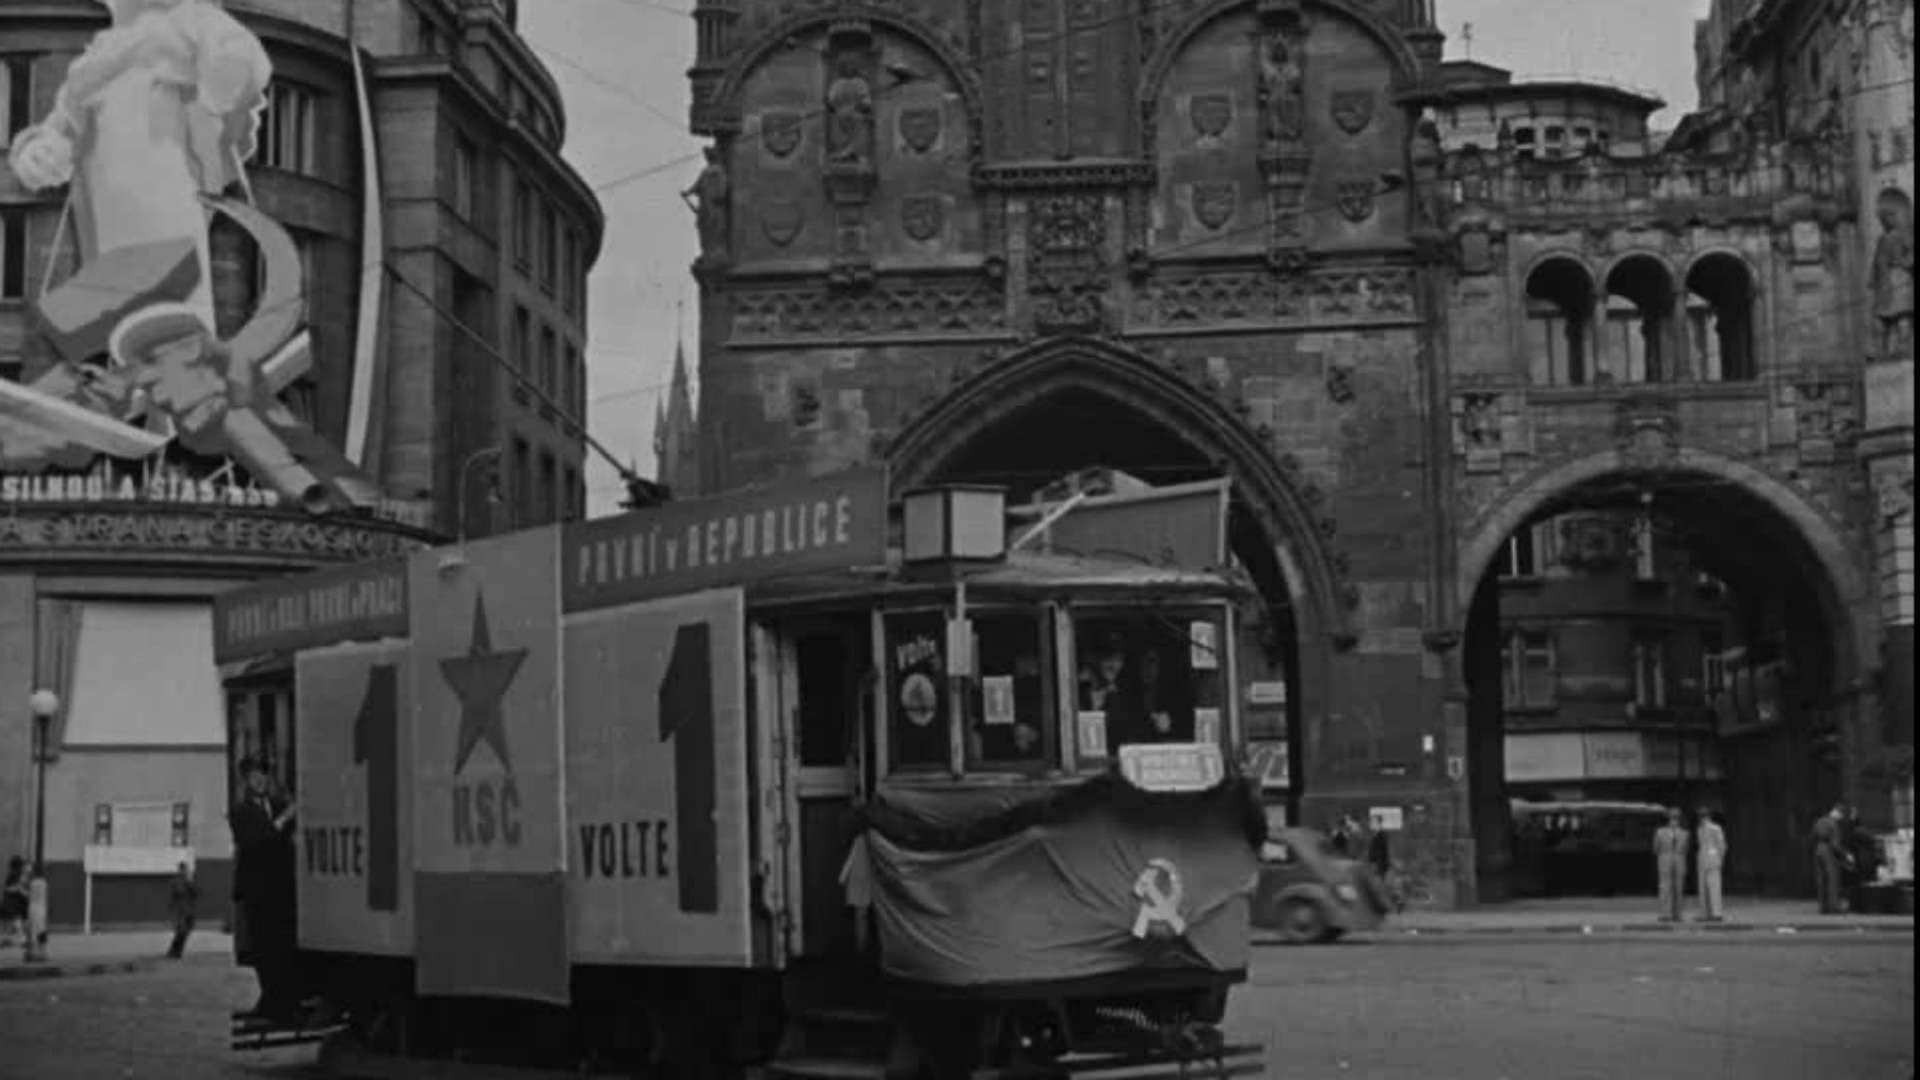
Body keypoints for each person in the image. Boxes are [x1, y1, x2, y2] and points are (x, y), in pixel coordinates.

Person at [229, 756, 299, 1019]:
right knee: (262, 947)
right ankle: (270, 997)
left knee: (283, 946)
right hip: (257, 891)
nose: (260, 781)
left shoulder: (278, 804)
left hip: (281, 888)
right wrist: (284, 820)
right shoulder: (240, 811)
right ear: (246, 781)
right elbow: (256, 840)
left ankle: (282, 999)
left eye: (263, 776)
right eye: (255, 777)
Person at [1811, 803, 1848, 914]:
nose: (1841, 818)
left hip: (1818, 849)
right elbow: (1835, 844)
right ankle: (1835, 907)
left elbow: (1812, 837)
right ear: (1838, 813)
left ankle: (1823, 907)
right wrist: (1845, 854)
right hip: (1829, 851)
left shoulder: (1819, 821)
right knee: (1833, 879)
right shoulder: (1834, 824)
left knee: (1821, 880)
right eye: (1841, 815)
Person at [1653, 807, 1688, 922]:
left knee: (1679, 888)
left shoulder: (1685, 833)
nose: (1674, 821)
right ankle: (1665, 914)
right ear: (1668, 819)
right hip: (1664, 861)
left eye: (1676, 818)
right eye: (1672, 818)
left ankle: (1678, 914)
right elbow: (1655, 848)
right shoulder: (1660, 832)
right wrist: (1664, 856)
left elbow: (1685, 850)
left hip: (1679, 862)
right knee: (1665, 888)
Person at [1694, 808, 1727, 922]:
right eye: (1701, 817)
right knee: (1702, 889)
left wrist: (1720, 859)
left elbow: (1722, 845)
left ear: (1708, 817)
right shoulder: (1699, 829)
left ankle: (1717, 913)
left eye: (1704, 817)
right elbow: (1701, 844)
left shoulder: (1716, 828)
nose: (1702, 819)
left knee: (1714, 888)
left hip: (1713, 860)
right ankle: (1704, 913)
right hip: (1702, 859)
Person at [165, 860, 198, 959]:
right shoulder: (176, 881)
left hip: (189, 910)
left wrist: (190, 883)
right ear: (180, 870)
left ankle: (176, 951)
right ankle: (175, 952)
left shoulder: (189, 881)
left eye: (186, 870)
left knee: (186, 932)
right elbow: (177, 893)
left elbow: (196, 894)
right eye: (184, 869)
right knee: (181, 931)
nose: (185, 871)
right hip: (181, 910)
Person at [1, 856, 29, 947]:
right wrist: (25, 893)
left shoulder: (15, 874)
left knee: (9, 922)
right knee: (15, 920)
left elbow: (17, 887)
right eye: (23, 864)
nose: (25, 866)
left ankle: (5, 939)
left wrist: (24, 892)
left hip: (12, 901)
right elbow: (16, 888)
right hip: (10, 902)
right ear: (20, 866)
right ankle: (23, 939)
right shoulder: (17, 874)